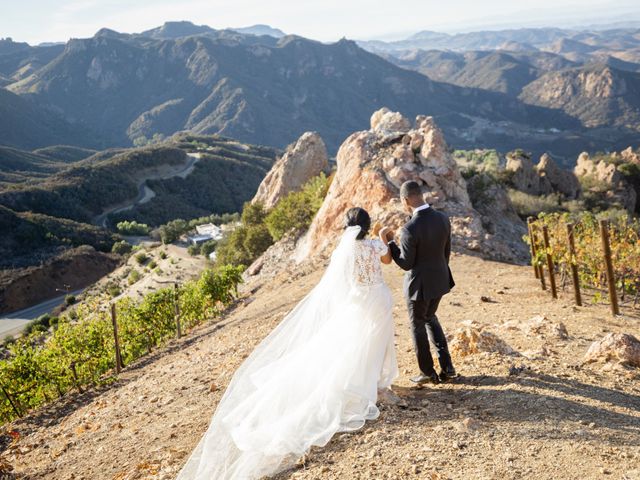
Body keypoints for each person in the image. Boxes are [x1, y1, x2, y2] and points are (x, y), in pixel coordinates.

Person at [176, 207, 398, 480]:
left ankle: (360, 382)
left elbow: (340, 282)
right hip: (379, 297)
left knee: (355, 343)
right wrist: (385, 236)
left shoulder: (344, 250)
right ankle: (373, 383)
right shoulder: (374, 244)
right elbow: (387, 261)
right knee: (375, 340)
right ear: (367, 225)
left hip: (357, 300)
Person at [386, 180, 457, 385]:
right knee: (430, 318)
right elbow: (446, 253)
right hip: (441, 280)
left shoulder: (410, 228)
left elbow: (406, 264)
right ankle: (448, 368)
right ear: (421, 195)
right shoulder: (443, 218)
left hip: (418, 287)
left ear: (406, 200)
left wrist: (391, 243)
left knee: (418, 325)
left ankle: (427, 372)